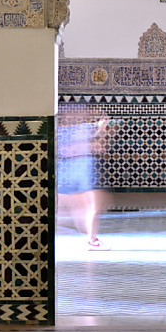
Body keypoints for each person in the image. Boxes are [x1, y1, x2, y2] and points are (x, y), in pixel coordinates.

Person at [56, 103, 112, 250]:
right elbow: (97, 145)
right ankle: (91, 240)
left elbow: (95, 142)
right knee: (91, 205)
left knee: (85, 205)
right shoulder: (78, 129)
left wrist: (100, 129)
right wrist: (100, 129)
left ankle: (90, 238)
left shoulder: (67, 131)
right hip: (81, 171)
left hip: (75, 172)